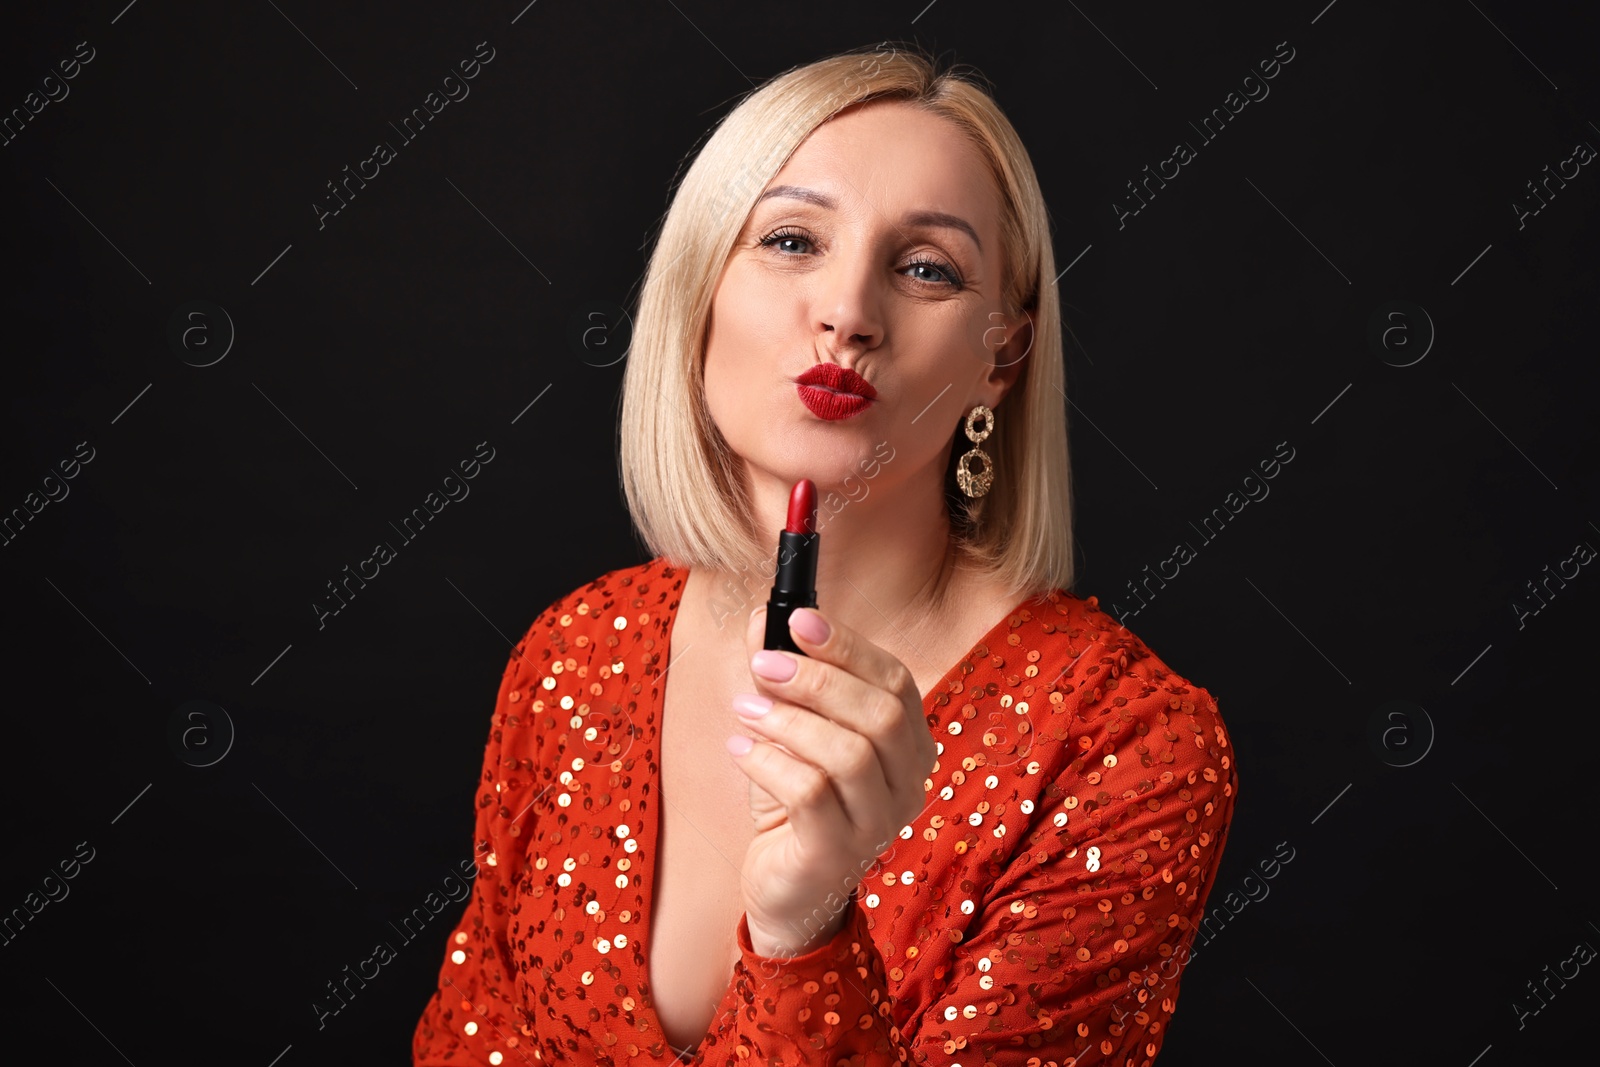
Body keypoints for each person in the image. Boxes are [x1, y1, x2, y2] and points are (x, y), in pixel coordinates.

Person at [412, 42, 1238, 1067]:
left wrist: (804, 929)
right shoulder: (577, 652)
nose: (848, 313)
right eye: (792, 240)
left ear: (1002, 356)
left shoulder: (1121, 745)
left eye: (926, 267)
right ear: (697, 288)